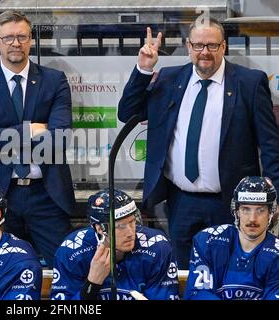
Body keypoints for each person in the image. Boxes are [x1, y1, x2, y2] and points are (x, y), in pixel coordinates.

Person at [117, 18, 279, 268]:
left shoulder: (249, 82)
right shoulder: (169, 79)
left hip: (231, 202)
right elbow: (127, 112)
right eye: (198, 45)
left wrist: (274, 194)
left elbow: (270, 144)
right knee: (184, 272)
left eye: (212, 46)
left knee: (230, 271)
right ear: (188, 46)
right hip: (181, 202)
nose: (205, 52)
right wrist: (143, 69)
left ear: (223, 47)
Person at [0, 10, 75, 267]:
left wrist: (4, 136)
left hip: (46, 195)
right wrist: (31, 130)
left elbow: (58, 139)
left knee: (66, 268)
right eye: (9, 37)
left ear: (31, 40)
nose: (16, 43)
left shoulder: (53, 80)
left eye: (22, 37)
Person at [50, 189, 180, 300]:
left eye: (132, 222)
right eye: (121, 226)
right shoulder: (72, 251)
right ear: (100, 228)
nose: (131, 232)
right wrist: (92, 284)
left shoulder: (157, 246)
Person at [185, 176, 279, 300]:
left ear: (270, 213)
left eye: (260, 210)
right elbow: (197, 293)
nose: (252, 218)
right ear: (236, 211)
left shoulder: (276, 254)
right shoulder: (208, 241)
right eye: (246, 209)